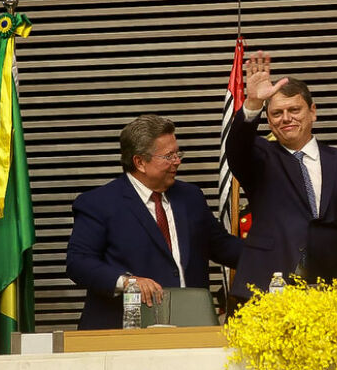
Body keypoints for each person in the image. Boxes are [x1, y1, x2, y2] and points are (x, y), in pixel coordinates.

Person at [226, 51, 337, 300]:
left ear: (312, 111)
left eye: (294, 109)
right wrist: (252, 104)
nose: (286, 118)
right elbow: (237, 147)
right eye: (277, 113)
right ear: (269, 121)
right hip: (268, 288)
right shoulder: (259, 157)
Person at [66, 115, 242, 329]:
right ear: (140, 162)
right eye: (168, 156)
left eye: (177, 153)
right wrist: (128, 282)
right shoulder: (99, 203)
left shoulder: (191, 197)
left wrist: (276, 254)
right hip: (123, 332)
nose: (177, 161)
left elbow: (224, 247)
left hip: (190, 329)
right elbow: (79, 263)